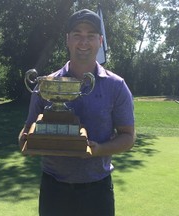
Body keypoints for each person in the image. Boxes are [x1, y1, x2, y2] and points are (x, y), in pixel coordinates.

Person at [19, 9, 136, 216]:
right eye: (77, 35)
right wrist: (28, 140)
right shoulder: (47, 84)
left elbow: (128, 137)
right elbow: (27, 130)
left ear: (100, 41)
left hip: (97, 190)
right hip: (54, 188)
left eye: (90, 36)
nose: (84, 42)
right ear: (67, 40)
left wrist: (98, 149)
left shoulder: (116, 86)